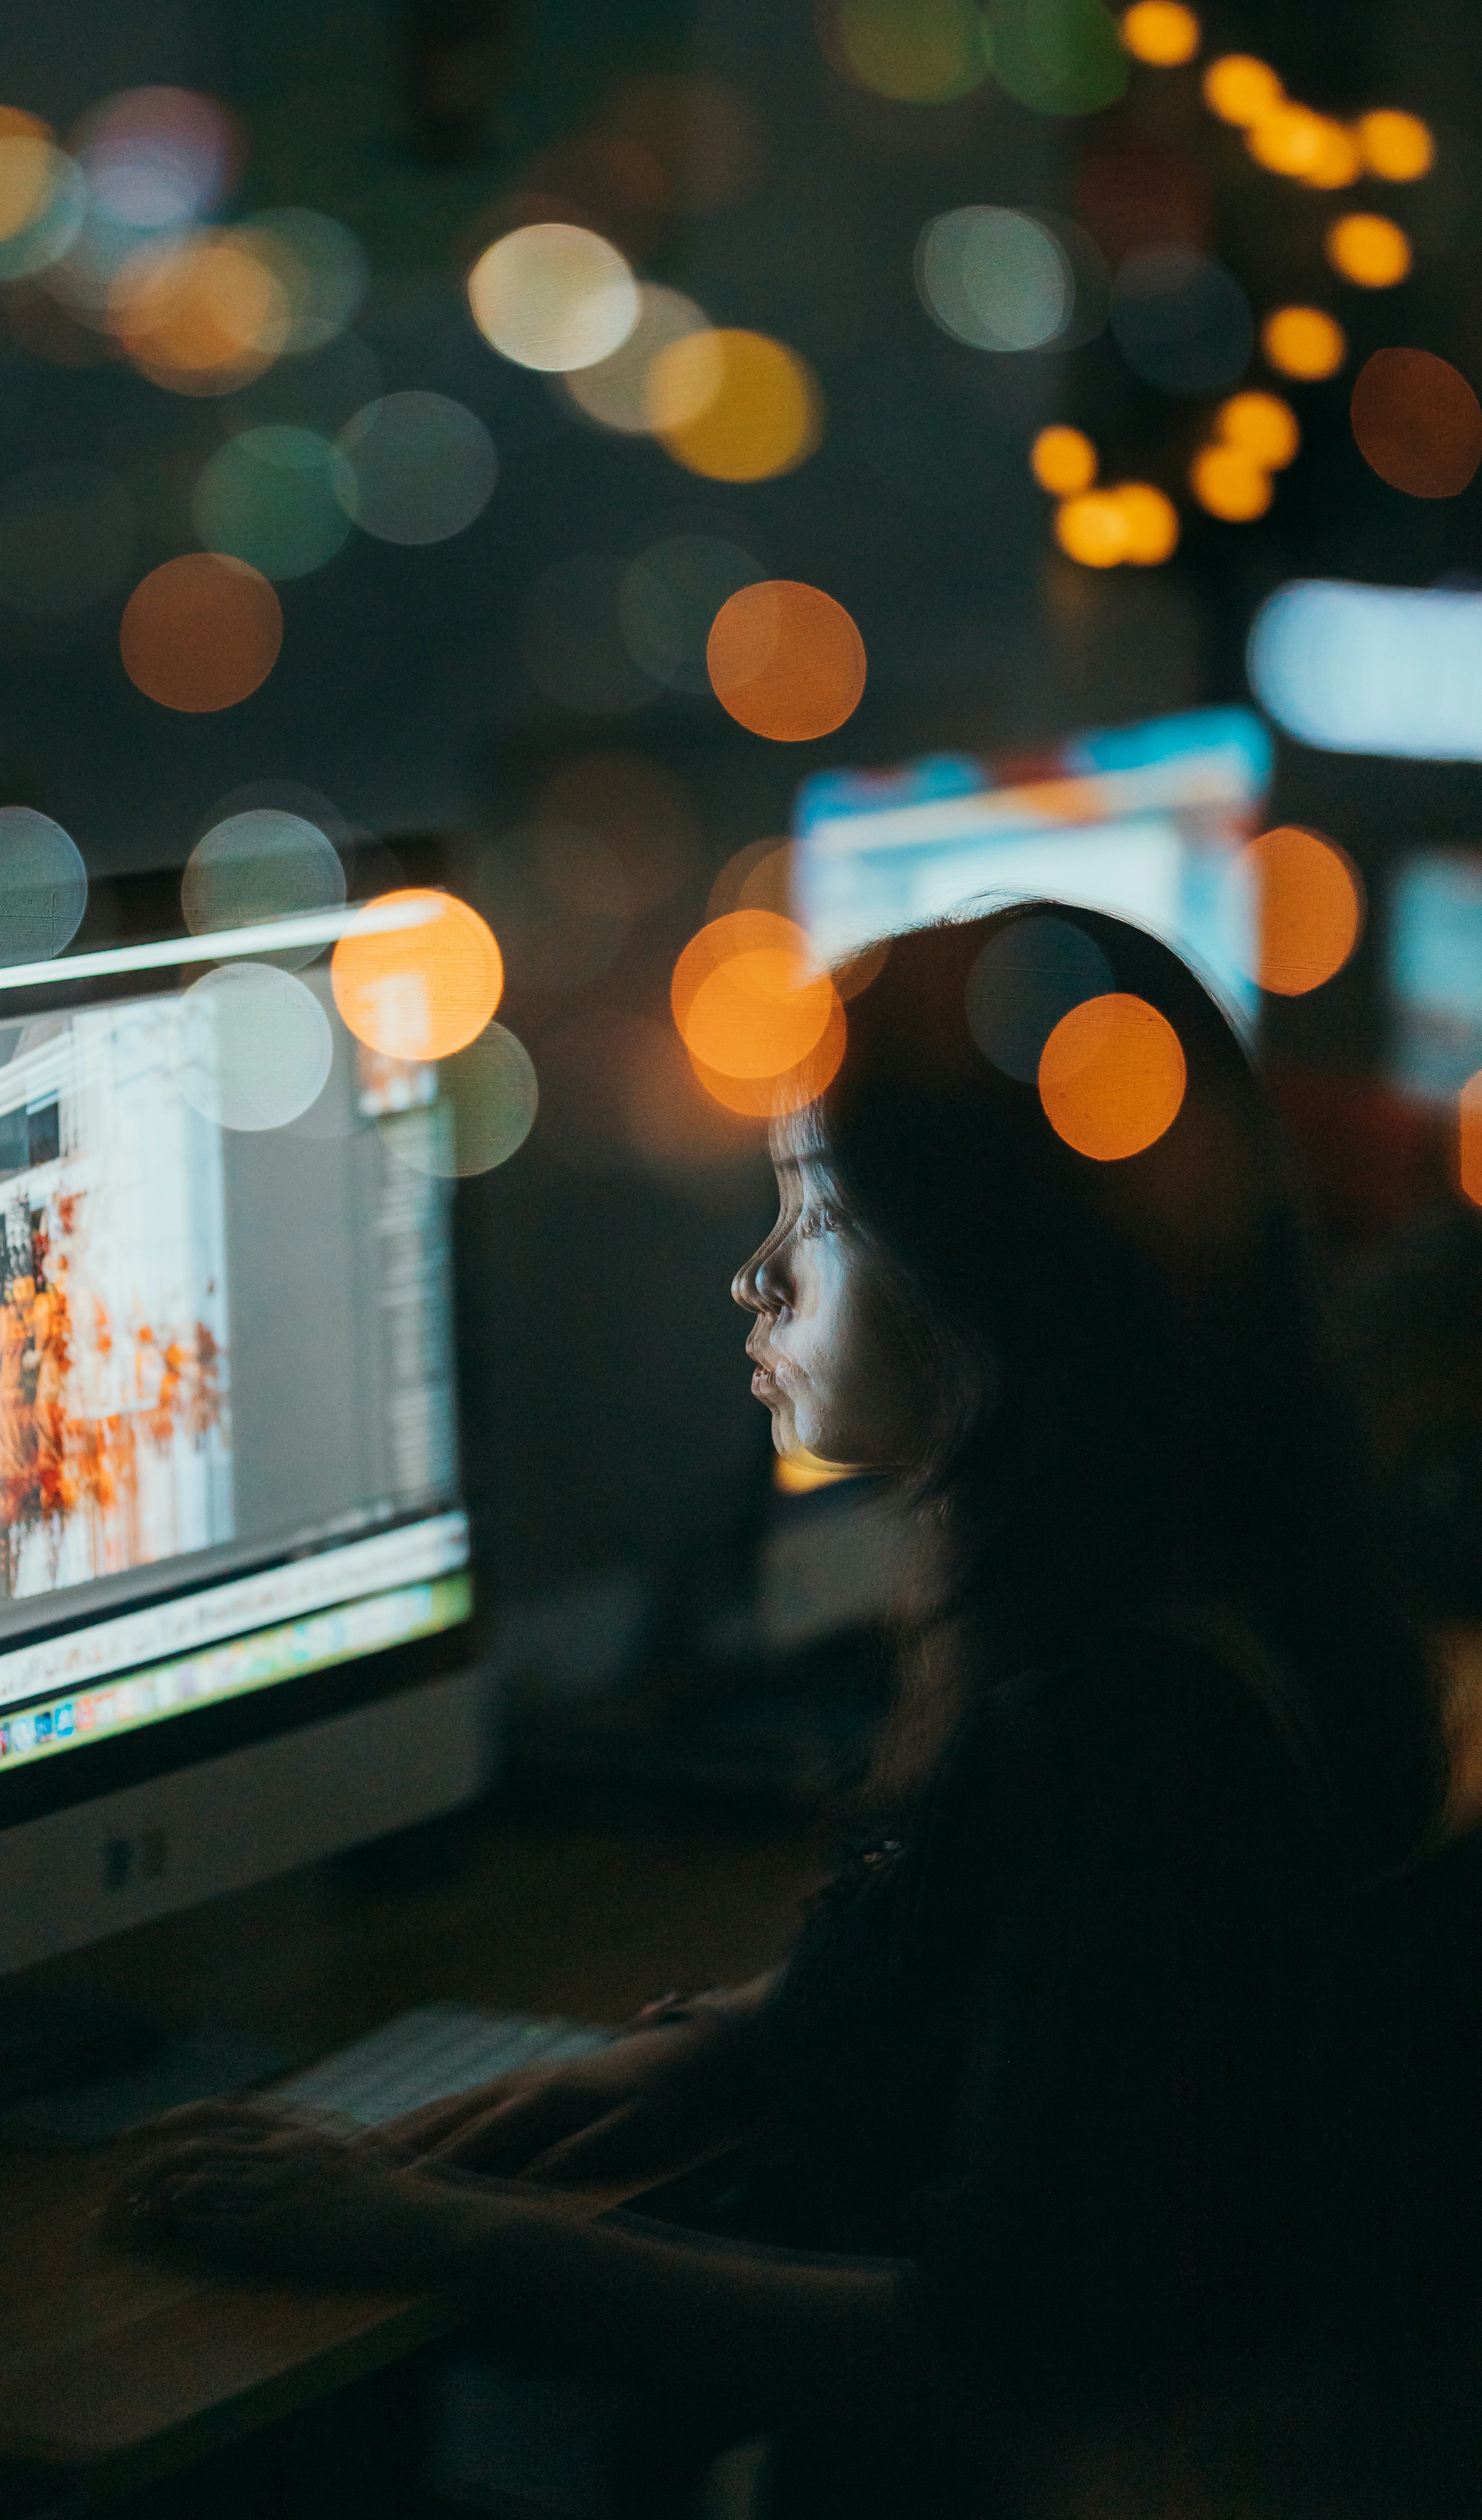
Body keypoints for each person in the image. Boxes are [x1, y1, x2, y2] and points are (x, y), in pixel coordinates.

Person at [106, 906, 1459, 2514]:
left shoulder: (1135, 1732)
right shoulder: (1237, 1578)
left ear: (992, 1266)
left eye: (816, 1211)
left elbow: (980, 2353)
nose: (754, 1275)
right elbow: (1056, 1993)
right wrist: (729, 2048)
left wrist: (433, 2234)